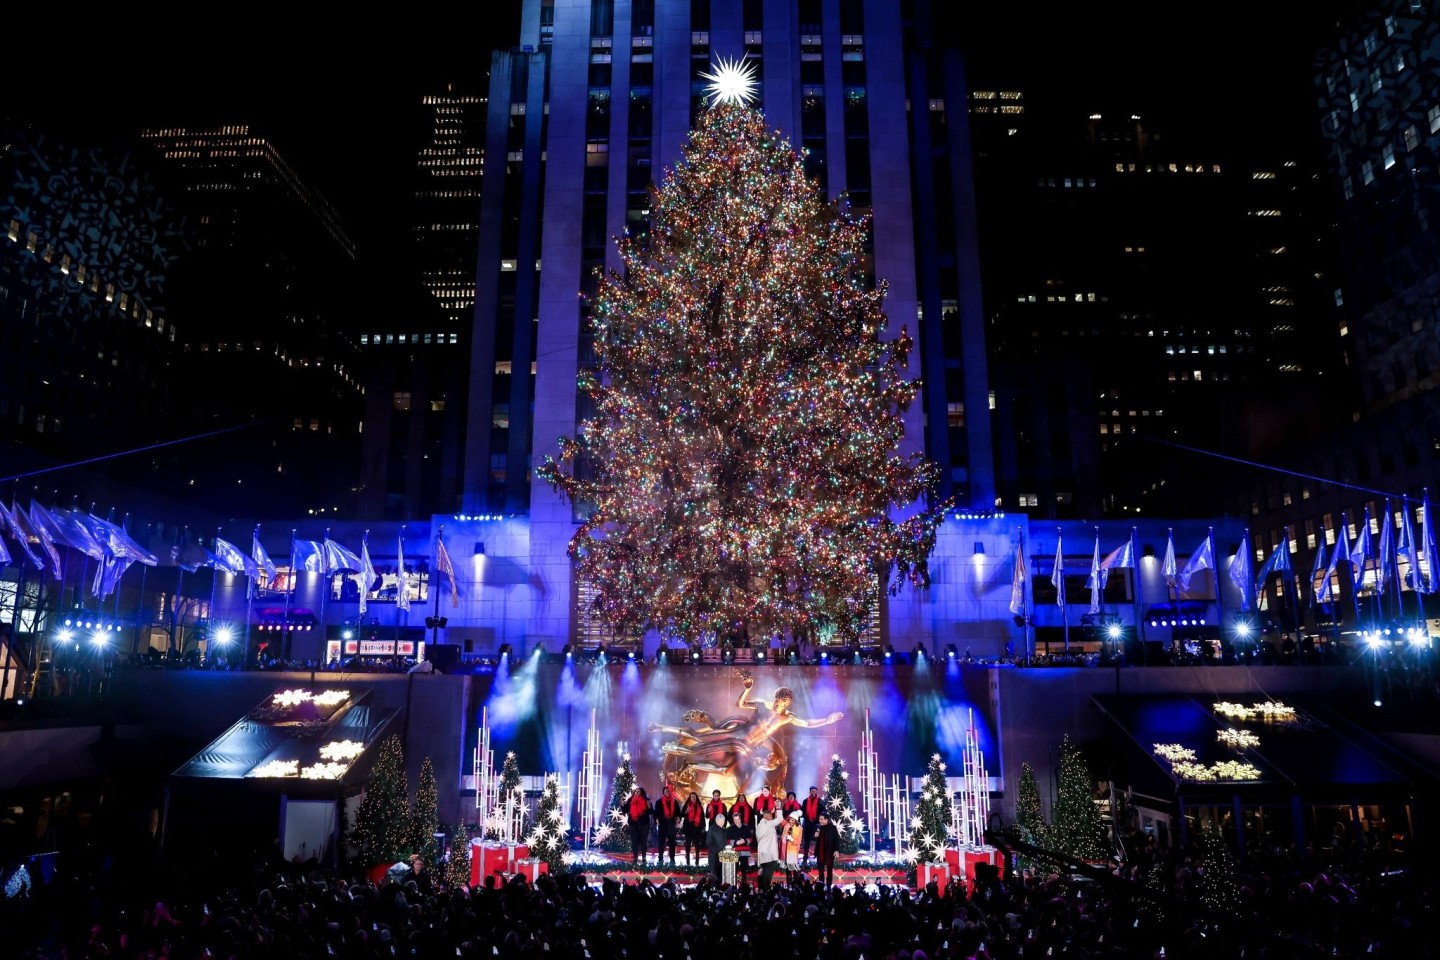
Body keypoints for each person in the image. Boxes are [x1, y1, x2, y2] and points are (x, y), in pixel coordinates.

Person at [653, 784, 680, 868]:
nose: (667, 792)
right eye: (666, 791)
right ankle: (660, 859)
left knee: (672, 843)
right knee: (661, 843)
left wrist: (678, 818)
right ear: (663, 793)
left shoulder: (675, 802)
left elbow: (678, 813)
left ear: (670, 792)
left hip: (671, 824)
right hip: (662, 824)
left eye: (668, 791)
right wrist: (656, 819)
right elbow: (655, 813)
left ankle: (672, 859)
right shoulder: (658, 802)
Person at [754, 807, 780, 889]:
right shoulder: (768, 823)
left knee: (764, 872)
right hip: (769, 854)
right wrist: (778, 808)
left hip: (763, 853)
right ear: (767, 816)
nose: (772, 817)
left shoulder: (759, 825)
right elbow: (780, 819)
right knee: (767, 874)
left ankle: (762, 889)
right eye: (771, 815)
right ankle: (766, 890)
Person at [626, 785, 652, 868]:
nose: (637, 793)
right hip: (633, 824)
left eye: (639, 792)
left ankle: (644, 858)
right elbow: (625, 810)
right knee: (634, 842)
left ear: (641, 793)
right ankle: (635, 858)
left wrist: (649, 806)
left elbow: (651, 812)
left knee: (644, 842)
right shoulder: (630, 800)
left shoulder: (646, 800)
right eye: (636, 791)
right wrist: (622, 805)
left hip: (644, 824)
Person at [815, 811, 841, 889]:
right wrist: (815, 835)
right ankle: (821, 886)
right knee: (820, 870)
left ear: (826, 820)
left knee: (829, 870)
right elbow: (815, 839)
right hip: (820, 852)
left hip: (829, 853)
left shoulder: (832, 828)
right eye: (819, 819)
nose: (820, 821)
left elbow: (837, 839)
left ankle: (829, 886)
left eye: (822, 819)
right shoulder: (818, 827)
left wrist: (836, 850)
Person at [681, 790, 705, 866]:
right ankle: (688, 861)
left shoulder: (700, 806)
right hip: (688, 829)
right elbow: (681, 815)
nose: (693, 798)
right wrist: (686, 812)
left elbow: (702, 818)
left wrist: (703, 827)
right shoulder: (686, 805)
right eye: (692, 797)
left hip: (697, 829)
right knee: (687, 845)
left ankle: (697, 862)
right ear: (690, 798)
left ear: (696, 798)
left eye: (694, 797)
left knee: (697, 846)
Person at [705, 810, 730, 882]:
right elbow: (709, 843)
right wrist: (718, 851)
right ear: (717, 820)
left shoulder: (724, 830)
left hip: (723, 856)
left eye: (724, 820)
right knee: (713, 876)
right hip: (714, 857)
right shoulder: (711, 830)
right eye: (722, 821)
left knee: (722, 875)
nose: (723, 822)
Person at [801, 785, 823, 864]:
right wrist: (808, 819)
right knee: (806, 842)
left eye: (815, 791)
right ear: (810, 792)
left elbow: (822, 812)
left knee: (819, 842)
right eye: (812, 791)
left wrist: (817, 821)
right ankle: (805, 858)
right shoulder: (805, 801)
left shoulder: (820, 801)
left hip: (817, 825)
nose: (813, 792)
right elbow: (802, 812)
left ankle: (818, 858)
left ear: (816, 791)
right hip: (807, 824)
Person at [781, 809, 804, 884]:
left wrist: (792, 840)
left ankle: (796, 884)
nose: (791, 821)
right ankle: (789, 884)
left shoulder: (799, 828)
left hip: (794, 851)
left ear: (796, 820)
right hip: (787, 850)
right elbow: (783, 837)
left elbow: (799, 841)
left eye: (793, 820)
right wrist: (785, 838)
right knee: (788, 868)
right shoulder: (786, 826)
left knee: (794, 868)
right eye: (790, 820)